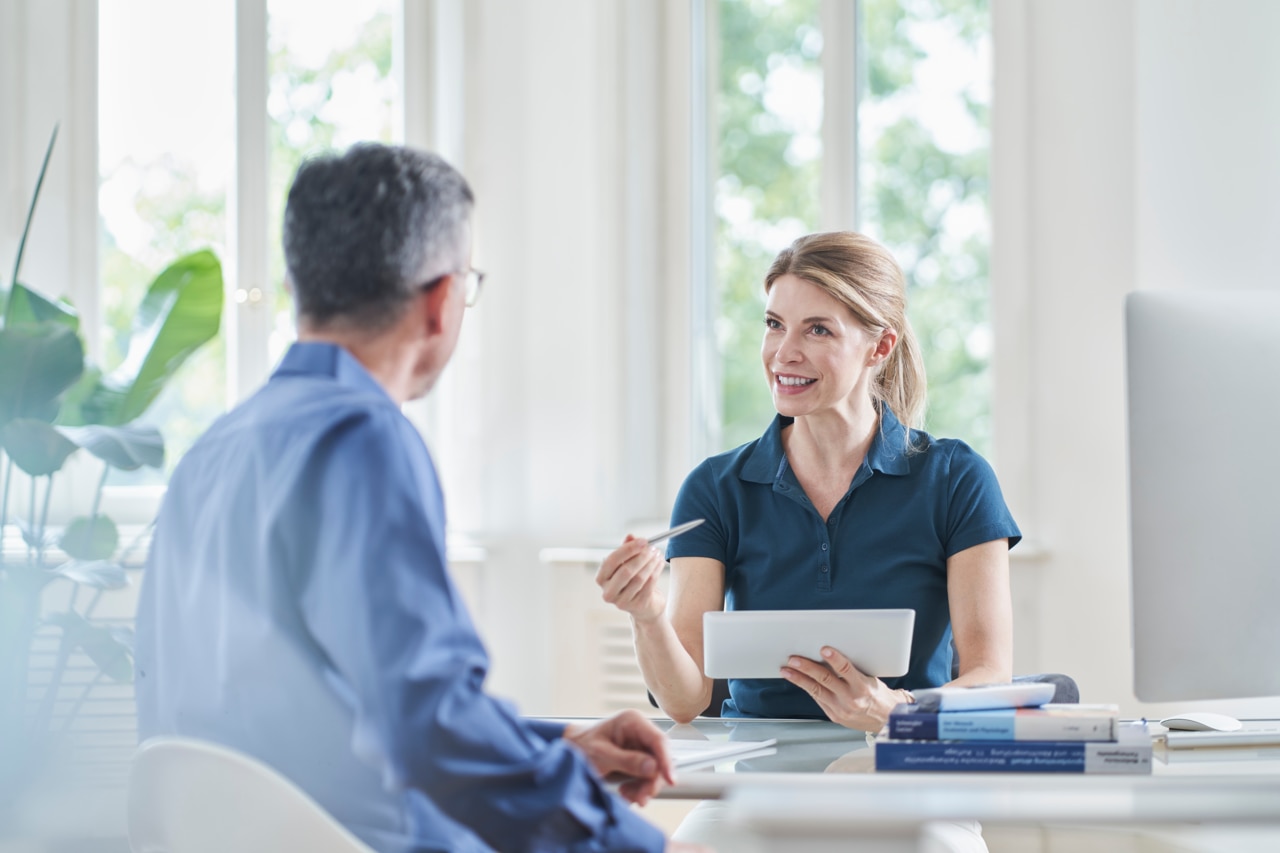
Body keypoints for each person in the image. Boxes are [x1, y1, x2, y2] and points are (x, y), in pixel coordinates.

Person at [135, 144, 702, 853]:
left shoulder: (215, 448)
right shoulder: (363, 436)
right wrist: (642, 847)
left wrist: (555, 747)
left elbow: (313, 717)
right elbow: (426, 719)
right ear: (440, 300)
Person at [596, 230, 1019, 732]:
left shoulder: (957, 479)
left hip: (908, 755)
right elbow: (686, 702)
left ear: (879, 346)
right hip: (757, 767)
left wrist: (899, 713)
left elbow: (989, 675)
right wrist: (646, 615)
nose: (784, 353)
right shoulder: (714, 489)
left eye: (817, 330)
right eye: (775, 325)